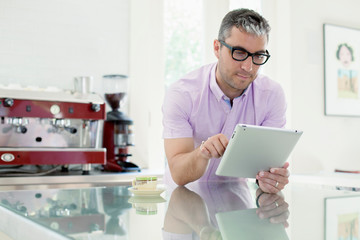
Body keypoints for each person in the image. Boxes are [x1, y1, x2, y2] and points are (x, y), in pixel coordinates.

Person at [162, 8, 289, 193]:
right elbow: (178, 174)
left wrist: (271, 180)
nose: (248, 66)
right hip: (185, 200)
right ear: (217, 48)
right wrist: (203, 152)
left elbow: (266, 168)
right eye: (239, 52)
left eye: (258, 56)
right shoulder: (182, 94)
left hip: (236, 199)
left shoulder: (272, 95)